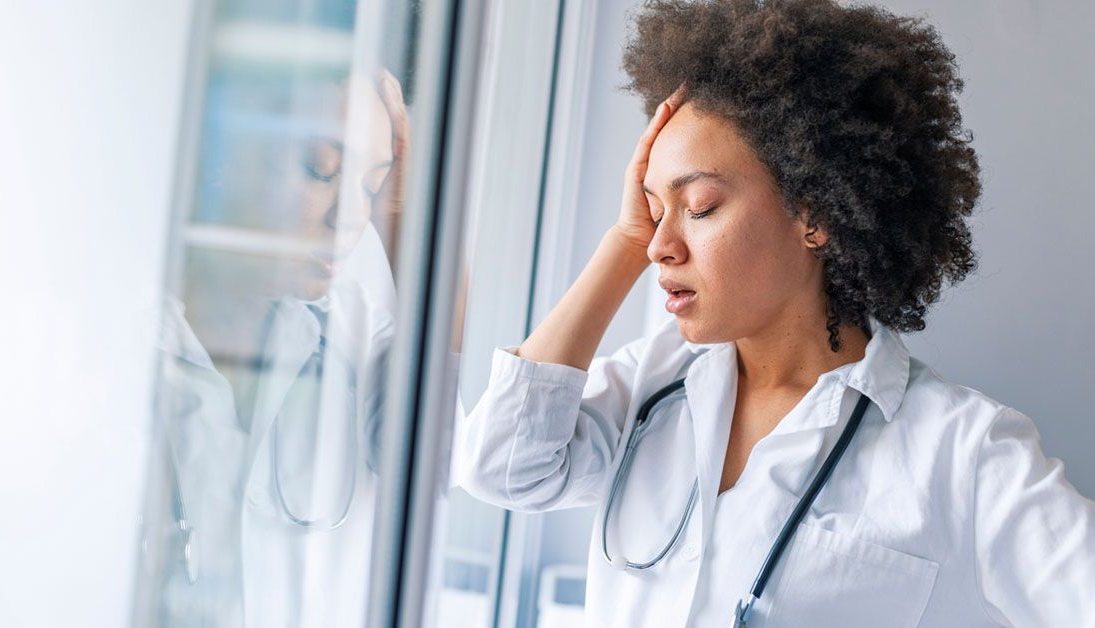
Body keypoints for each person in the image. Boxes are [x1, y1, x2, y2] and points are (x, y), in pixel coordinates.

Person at [454, 1, 1095, 626]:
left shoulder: (964, 454)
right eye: (653, 208)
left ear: (813, 215)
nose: (659, 244)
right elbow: (503, 467)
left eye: (700, 206)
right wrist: (622, 246)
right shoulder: (650, 387)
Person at [142, 67, 409, 628]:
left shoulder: (356, 334)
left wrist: (412, 211)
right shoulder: (127, 327)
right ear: (224, 153)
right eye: (322, 170)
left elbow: (451, 462)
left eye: (371, 186)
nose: (351, 216)